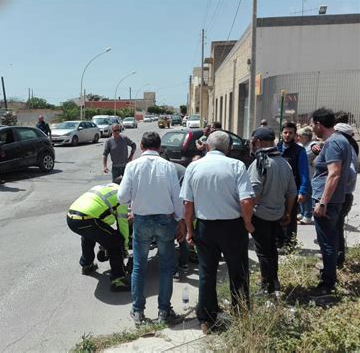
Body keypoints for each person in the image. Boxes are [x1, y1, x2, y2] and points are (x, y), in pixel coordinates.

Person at [180, 131, 255, 334]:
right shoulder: (237, 165)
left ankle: (206, 319)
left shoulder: (194, 167)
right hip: (233, 227)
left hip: (206, 227)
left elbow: (187, 204)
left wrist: (190, 229)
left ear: (206, 146)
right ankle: (241, 314)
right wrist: (248, 223)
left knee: (206, 273)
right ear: (228, 148)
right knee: (238, 272)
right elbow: (246, 200)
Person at [118, 131, 185, 325]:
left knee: (139, 267)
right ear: (160, 148)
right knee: (166, 268)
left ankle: (138, 311)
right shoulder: (168, 166)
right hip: (165, 221)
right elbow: (177, 197)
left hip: (142, 221)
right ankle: (164, 311)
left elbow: (122, 198)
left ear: (140, 146)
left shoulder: (132, 166)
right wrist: (180, 221)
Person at [248, 127, 297, 297]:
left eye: (253, 142)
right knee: (272, 249)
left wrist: (247, 217)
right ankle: (274, 282)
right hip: (278, 214)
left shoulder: (260, 163)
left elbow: (253, 194)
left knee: (263, 251)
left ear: (258, 142)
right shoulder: (285, 163)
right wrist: (288, 213)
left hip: (260, 215)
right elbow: (292, 192)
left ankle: (266, 287)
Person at [310, 108, 351, 297]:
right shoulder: (339, 140)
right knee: (332, 240)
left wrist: (323, 202)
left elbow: (334, 174)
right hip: (335, 199)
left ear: (319, 124)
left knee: (327, 242)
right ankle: (329, 276)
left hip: (327, 201)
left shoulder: (334, 142)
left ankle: (328, 284)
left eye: (312, 124)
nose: (311, 128)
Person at [67, 178, 130, 292]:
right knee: (115, 241)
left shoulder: (102, 188)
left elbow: (101, 214)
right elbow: (123, 224)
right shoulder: (121, 196)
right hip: (87, 219)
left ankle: (87, 265)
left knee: (88, 236)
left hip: (71, 217)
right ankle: (118, 279)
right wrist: (124, 246)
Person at [276, 122, 310, 253]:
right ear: (281, 133)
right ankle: (278, 241)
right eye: (285, 132)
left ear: (295, 135)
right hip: (277, 190)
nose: (287, 135)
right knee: (277, 215)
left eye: (290, 133)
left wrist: (302, 191)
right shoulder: (277, 148)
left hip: (293, 190)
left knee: (290, 217)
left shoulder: (299, 151)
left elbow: (304, 173)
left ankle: (289, 244)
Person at [333, 122, 358, 268]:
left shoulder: (347, 148)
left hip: (343, 195)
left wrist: (338, 185)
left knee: (336, 229)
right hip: (345, 194)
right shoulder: (348, 147)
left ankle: (337, 259)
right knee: (337, 228)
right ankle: (337, 258)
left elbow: (351, 173)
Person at [296, 127, 318, 224]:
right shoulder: (302, 145)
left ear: (305, 137)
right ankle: (302, 212)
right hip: (302, 175)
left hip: (309, 175)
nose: (298, 138)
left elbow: (318, 151)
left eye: (300, 136)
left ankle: (307, 215)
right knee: (301, 194)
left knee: (307, 196)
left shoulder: (312, 145)